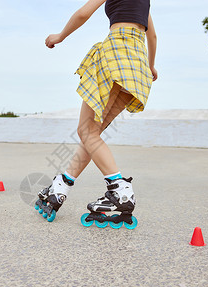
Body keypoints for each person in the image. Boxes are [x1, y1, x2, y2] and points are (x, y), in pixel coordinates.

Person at [35, 0, 158, 229]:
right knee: (93, 134)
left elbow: (84, 13)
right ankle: (61, 187)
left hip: (116, 55)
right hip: (137, 65)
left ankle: (120, 190)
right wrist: (150, 67)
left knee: (86, 130)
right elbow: (152, 37)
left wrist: (59, 36)